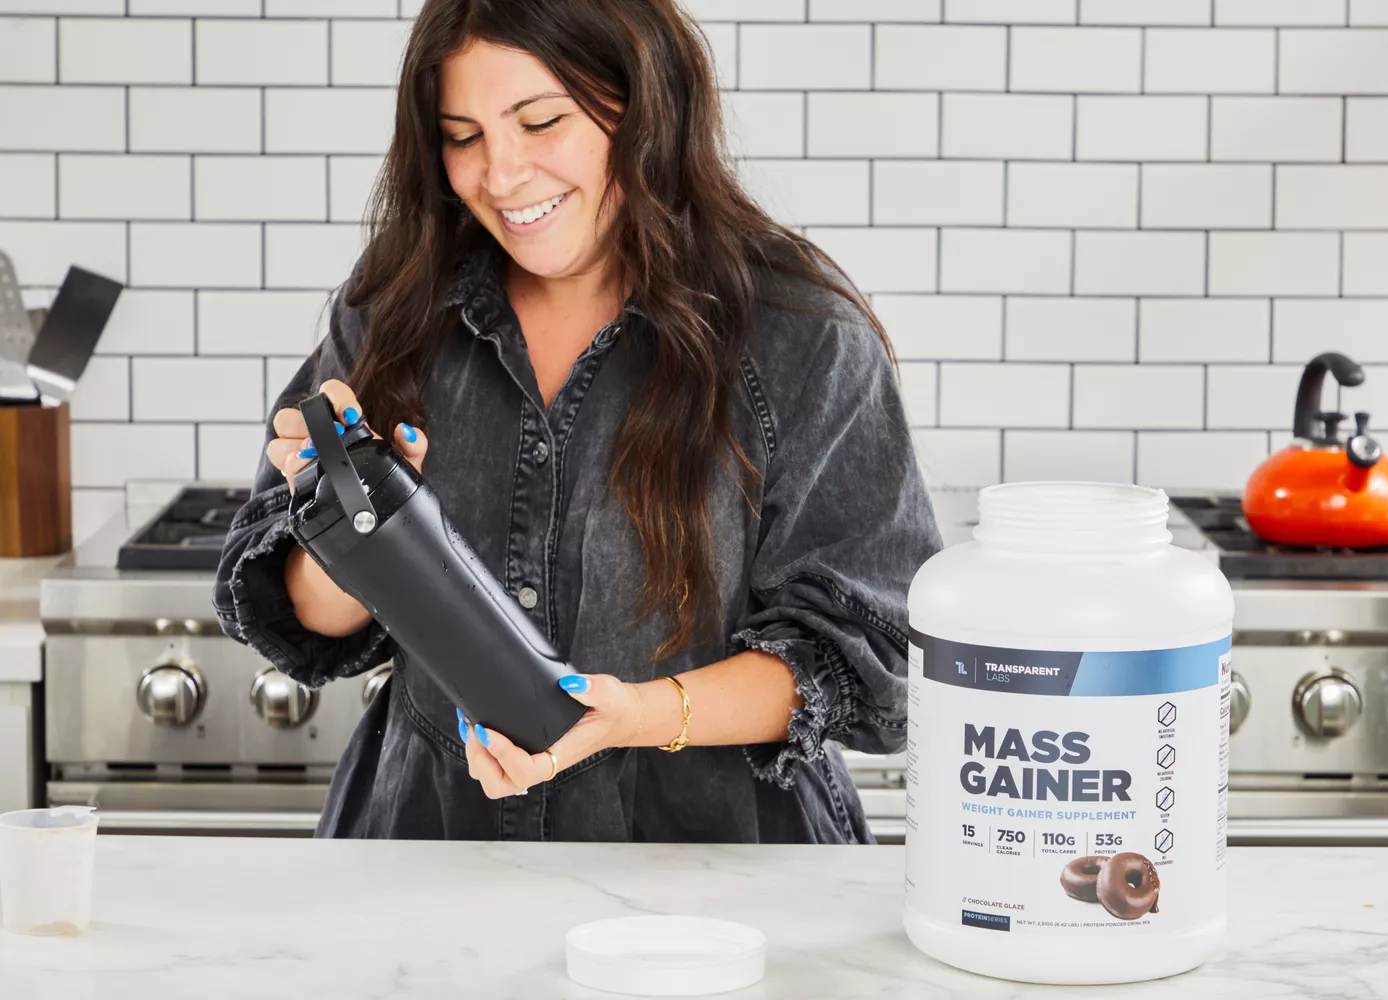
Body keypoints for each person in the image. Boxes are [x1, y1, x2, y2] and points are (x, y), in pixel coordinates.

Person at [214, 0, 944, 842]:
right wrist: (359, 532)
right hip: (430, 846)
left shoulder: (800, 335)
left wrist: (638, 713)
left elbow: (874, 656)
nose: (502, 174)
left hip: (715, 875)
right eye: (463, 135)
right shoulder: (397, 311)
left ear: (645, 105)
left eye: (541, 121)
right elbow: (309, 619)